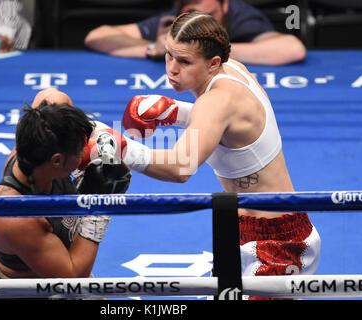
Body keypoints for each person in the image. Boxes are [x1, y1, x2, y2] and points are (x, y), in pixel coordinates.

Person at [121, 11, 320, 299]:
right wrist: (172, 112)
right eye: (169, 55)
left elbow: (180, 168)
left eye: (184, 61)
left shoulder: (215, 100)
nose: (172, 69)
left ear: (213, 62)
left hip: (279, 241)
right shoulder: (232, 70)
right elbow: (225, 123)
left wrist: (120, 147)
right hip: (243, 227)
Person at [0, 89, 132, 286]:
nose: (84, 154)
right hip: (29, 294)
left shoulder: (37, 147)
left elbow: (50, 96)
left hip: (62, 260)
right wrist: (99, 207)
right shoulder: (16, 216)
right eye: (81, 150)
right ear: (57, 160)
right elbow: (72, 278)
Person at [84, 0, 306, 66]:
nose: (201, 23)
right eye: (193, 16)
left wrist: (203, 48)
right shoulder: (175, 20)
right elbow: (97, 36)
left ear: (224, 6)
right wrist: (154, 47)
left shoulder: (240, 16)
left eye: (209, 16)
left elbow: (292, 49)